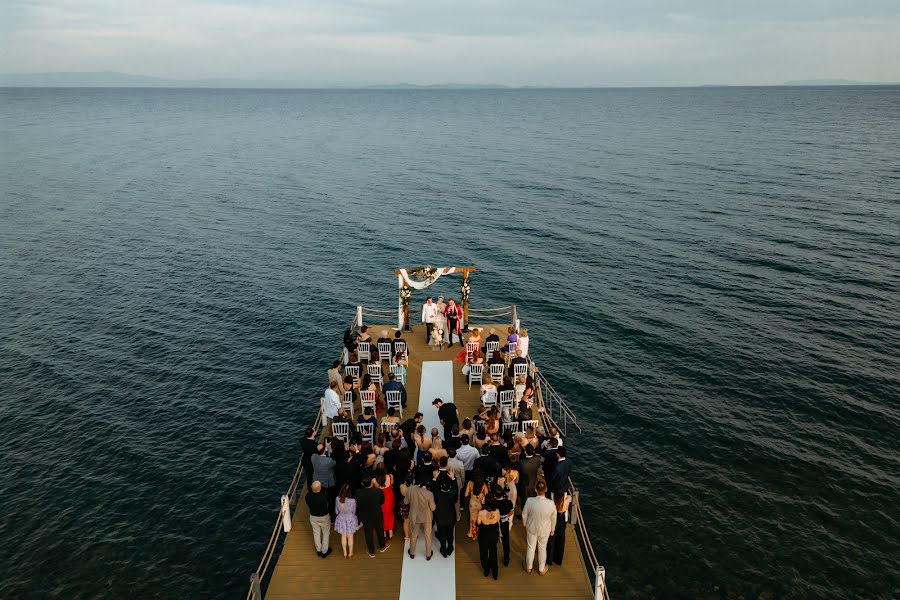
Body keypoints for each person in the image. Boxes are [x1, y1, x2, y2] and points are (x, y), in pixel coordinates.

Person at [522, 481, 557, 574]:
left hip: (531, 528)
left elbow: (524, 514)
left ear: (535, 490)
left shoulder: (529, 501)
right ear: (546, 490)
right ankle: (541, 569)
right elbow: (554, 518)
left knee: (531, 547)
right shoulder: (551, 503)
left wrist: (525, 524)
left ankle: (529, 567)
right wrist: (552, 529)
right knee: (542, 548)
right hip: (545, 530)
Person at [355, 474, 389, 557]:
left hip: (365, 516)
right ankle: (382, 546)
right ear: (371, 482)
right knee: (380, 530)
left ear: (362, 484)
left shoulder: (358, 493)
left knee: (368, 533)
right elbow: (382, 501)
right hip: (377, 514)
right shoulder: (378, 491)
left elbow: (357, 503)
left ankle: (371, 552)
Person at [405, 481, 436, 560]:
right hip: (427, 517)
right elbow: (433, 508)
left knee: (413, 534)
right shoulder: (429, 494)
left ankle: (412, 553)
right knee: (428, 535)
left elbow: (406, 501)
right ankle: (428, 554)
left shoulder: (411, 489)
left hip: (415, 516)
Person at [305, 480, 332, 558]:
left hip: (313, 517)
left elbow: (309, 504)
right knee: (326, 534)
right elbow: (329, 502)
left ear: (311, 487)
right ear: (320, 488)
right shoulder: (324, 496)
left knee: (316, 533)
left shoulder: (307, 496)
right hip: (324, 517)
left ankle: (319, 550)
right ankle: (325, 551)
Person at [433, 472, 458, 557]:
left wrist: (435, 478)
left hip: (440, 518)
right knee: (450, 534)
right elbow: (456, 489)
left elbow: (434, 488)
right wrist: (453, 479)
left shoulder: (437, 495)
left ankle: (443, 549)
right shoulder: (452, 494)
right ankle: (450, 547)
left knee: (442, 535)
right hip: (451, 518)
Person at [546, 488, 571, 566]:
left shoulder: (552, 501)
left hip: (554, 518)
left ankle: (549, 559)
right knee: (561, 539)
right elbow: (570, 497)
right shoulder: (566, 500)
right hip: (562, 519)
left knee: (551, 539)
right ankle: (558, 559)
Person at [477, 498, 501, 579]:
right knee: (493, 552)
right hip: (493, 533)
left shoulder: (481, 512)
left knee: (483, 552)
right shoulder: (497, 511)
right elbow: (497, 521)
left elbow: (478, 523)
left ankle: (486, 569)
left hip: (484, 533)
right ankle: (495, 572)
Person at [334, 484, 359, 558]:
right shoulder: (353, 501)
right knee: (350, 537)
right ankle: (350, 553)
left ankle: (345, 553)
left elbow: (336, 511)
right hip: (350, 519)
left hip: (341, 519)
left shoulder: (337, 499)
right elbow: (354, 512)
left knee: (343, 536)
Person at [494, 487, 515, 567]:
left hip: (495, 522)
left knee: (494, 541)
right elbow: (511, 512)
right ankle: (506, 560)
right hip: (504, 522)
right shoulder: (508, 502)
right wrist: (505, 516)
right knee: (506, 541)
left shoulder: (493, 502)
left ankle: (494, 558)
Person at [464, 470, 489, 539]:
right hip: (481, 504)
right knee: (481, 518)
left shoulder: (470, 483)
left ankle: (473, 534)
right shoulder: (483, 484)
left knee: (472, 519)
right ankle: (481, 532)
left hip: (472, 504)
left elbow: (466, 494)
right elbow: (487, 495)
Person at [375, 464, 396, 540]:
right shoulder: (390, 476)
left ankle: (383, 532)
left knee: (382, 515)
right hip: (390, 497)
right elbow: (392, 484)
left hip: (381, 499)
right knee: (390, 514)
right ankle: (390, 532)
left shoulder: (375, 480)